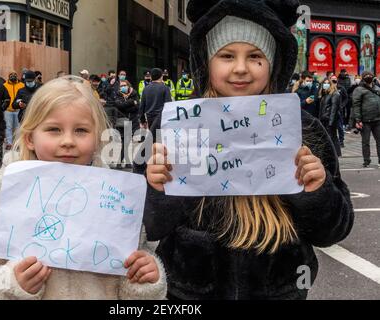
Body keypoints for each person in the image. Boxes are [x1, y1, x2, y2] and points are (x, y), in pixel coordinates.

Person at [144, 0, 354, 300]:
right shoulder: (177, 127)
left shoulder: (303, 128)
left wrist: (317, 192)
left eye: (255, 56)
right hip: (190, 295)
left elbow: (334, 230)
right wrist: (156, 189)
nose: (240, 68)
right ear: (206, 60)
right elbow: (151, 227)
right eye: (227, 55)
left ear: (273, 62)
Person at [0, 76, 167, 300]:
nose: (68, 141)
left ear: (98, 138)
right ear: (29, 138)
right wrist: (11, 284)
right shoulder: (0, 205)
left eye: (81, 130)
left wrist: (144, 282)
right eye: (54, 129)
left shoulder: (116, 204)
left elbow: (131, 280)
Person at [136, 68, 172, 175]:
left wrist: (142, 120)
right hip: (162, 118)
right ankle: (157, 164)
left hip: (150, 118)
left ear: (151, 77)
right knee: (160, 142)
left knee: (153, 141)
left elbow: (141, 106)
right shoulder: (165, 88)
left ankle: (151, 163)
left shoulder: (146, 89)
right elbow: (168, 105)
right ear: (161, 76)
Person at [352, 71, 380, 168]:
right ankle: (366, 160)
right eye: (366, 76)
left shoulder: (377, 88)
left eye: (370, 75)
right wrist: (358, 120)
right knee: (365, 142)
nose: (369, 77)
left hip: (377, 120)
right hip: (365, 121)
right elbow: (356, 106)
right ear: (363, 78)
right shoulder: (358, 90)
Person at [115, 79, 140, 168]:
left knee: (129, 143)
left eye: (124, 85)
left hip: (133, 121)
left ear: (128, 86)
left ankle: (125, 162)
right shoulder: (118, 95)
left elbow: (137, 107)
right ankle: (122, 162)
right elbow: (119, 106)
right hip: (123, 122)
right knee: (125, 142)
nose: (123, 87)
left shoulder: (134, 94)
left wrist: (126, 105)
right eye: (121, 86)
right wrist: (131, 102)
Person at [319, 78, 342, 157]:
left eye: (327, 83)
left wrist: (331, 122)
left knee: (332, 137)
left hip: (330, 119)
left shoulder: (335, 94)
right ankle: (335, 153)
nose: (326, 85)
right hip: (325, 119)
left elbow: (334, 109)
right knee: (332, 137)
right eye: (324, 83)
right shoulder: (325, 94)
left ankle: (334, 154)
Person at [3, 71, 25, 149]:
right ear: (8, 76)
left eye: (15, 74)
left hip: (18, 110)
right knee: (8, 127)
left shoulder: (22, 85)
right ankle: (9, 143)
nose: (13, 76)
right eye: (11, 74)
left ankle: (17, 144)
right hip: (8, 110)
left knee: (17, 127)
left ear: (17, 76)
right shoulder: (4, 85)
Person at [330, 74, 348, 148]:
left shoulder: (341, 88)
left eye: (335, 79)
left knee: (340, 126)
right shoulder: (329, 88)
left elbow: (346, 98)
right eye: (332, 79)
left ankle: (341, 141)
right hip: (330, 111)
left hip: (339, 111)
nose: (334, 80)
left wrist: (342, 106)